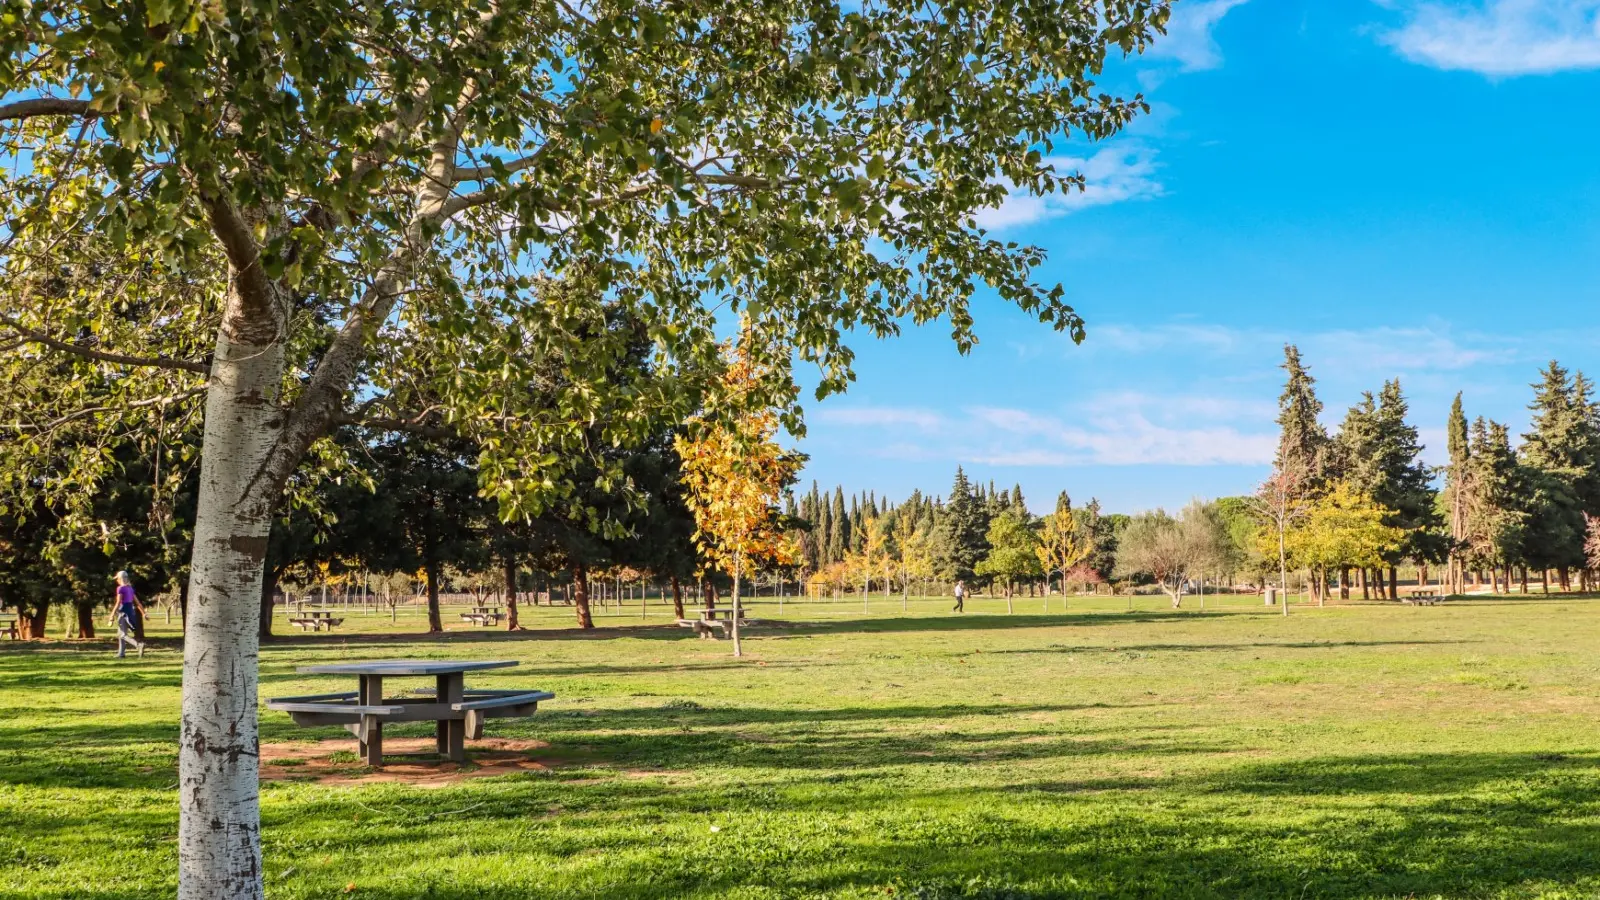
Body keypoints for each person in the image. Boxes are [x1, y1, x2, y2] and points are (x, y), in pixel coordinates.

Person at [108, 571, 146, 659]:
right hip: (131, 612)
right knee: (121, 632)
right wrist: (144, 613)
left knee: (122, 634)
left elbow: (118, 602)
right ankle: (121, 653)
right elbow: (137, 602)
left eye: (117, 578)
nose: (117, 580)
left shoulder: (120, 588)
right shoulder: (130, 588)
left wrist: (111, 615)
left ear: (120, 579)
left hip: (123, 612)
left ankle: (138, 645)